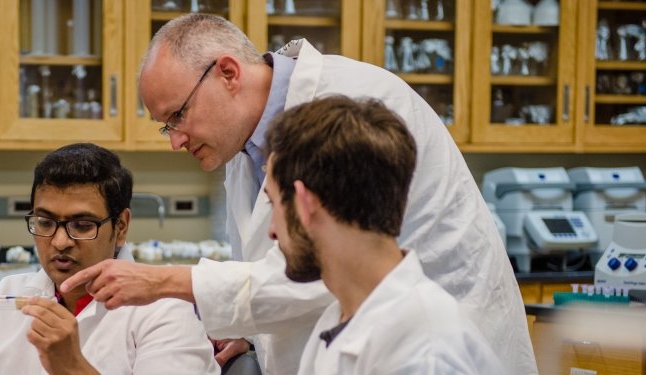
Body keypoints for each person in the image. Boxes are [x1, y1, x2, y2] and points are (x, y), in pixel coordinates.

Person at [61, 13, 536, 375]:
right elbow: (277, 264)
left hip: (421, 336)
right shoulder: (247, 142)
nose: (175, 139)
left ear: (228, 73)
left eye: (178, 116)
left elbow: (322, 261)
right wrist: (248, 331)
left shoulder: (348, 106)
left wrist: (165, 282)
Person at [0, 143, 219, 375]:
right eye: (45, 223)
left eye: (82, 225)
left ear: (121, 226)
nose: (60, 242)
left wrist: (70, 366)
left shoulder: (165, 311)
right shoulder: (5, 301)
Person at [264, 95, 504, 373]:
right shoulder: (340, 318)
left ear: (305, 204)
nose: (271, 230)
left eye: (273, 203)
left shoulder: (425, 353)